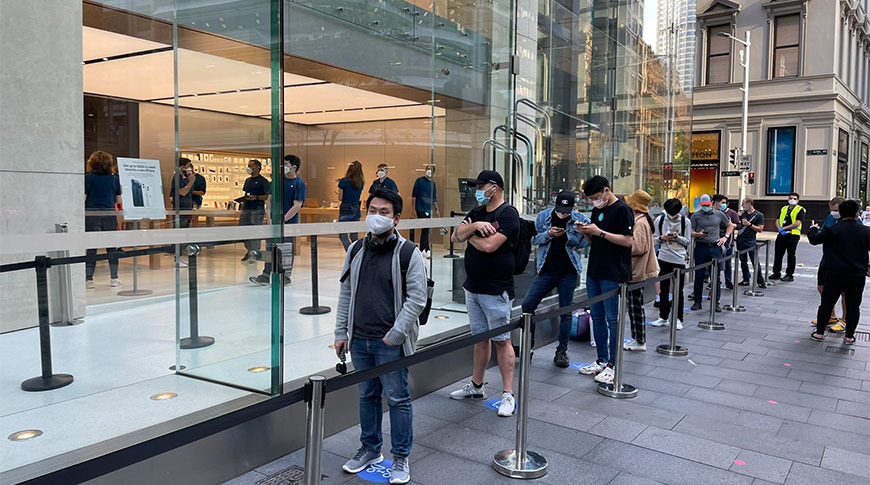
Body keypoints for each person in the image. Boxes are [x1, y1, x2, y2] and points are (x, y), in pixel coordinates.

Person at [334, 189, 427, 485]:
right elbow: (346, 292)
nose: (376, 216)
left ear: (396, 218)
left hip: (390, 341)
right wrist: (341, 332)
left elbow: (417, 298)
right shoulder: (356, 249)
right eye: (372, 209)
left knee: (398, 398)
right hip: (360, 338)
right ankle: (370, 448)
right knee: (367, 395)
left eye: (384, 211)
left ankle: (400, 454)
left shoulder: (408, 253)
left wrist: (397, 334)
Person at [449, 170, 520, 417]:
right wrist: (476, 227)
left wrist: (469, 236)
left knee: (502, 341)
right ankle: (477, 385)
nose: (478, 190)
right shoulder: (478, 213)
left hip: (495, 288)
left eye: (482, 186)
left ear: (496, 187)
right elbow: (454, 236)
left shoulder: (508, 214)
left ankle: (508, 394)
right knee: (480, 338)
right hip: (473, 286)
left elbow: (490, 246)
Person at [575, 176, 634, 385]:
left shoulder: (623, 210)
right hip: (594, 271)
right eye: (591, 198)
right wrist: (586, 232)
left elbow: (628, 241)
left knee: (612, 319)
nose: (594, 201)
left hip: (614, 272)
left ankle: (613, 364)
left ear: (607, 190)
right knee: (597, 317)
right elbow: (597, 240)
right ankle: (601, 360)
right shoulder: (597, 210)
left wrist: (599, 232)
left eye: (596, 197)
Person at [522, 190, 590, 367]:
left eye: (566, 211)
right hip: (545, 270)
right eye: (560, 210)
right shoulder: (544, 217)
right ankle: (528, 347)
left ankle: (562, 351)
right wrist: (549, 234)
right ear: (555, 204)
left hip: (568, 271)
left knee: (565, 311)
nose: (563, 214)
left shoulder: (580, 218)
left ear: (572, 207)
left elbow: (588, 241)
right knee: (528, 305)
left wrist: (576, 235)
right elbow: (533, 240)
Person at [808, 199, 870, 345]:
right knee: (854, 305)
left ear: (840, 213)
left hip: (834, 273)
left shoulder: (832, 230)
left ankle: (819, 333)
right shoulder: (865, 231)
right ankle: (849, 336)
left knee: (827, 303)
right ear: (857, 213)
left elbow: (814, 240)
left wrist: (812, 229)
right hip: (856, 274)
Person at [250, 155, 305, 286]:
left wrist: (283, 219)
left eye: (286, 164)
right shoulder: (276, 182)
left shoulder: (298, 184)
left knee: (285, 249)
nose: (283, 167)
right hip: (273, 221)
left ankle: (285, 275)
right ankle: (266, 274)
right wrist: (268, 216)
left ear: (294, 167)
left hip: (288, 222)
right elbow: (269, 200)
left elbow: (297, 205)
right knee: (270, 247)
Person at [623, 190, 659, 352]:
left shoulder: (640, 223)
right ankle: (637, 338)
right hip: (637, 270)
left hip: (637, 271)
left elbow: (638, 247)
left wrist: (621, 245)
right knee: (634, 306)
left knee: (635, 307)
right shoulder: (643, 220)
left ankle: (640, 340)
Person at [84, 151, 123, 289]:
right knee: (111, 247)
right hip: (109, 215)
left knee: (91, 248)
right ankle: (114, 278)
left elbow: (83, 197)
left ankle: (89, 279)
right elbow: (118, 200)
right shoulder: (114, 179)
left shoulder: (87, 178)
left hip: (91, 215)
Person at [650, 198, 691, 329]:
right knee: (664, 289)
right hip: (663, 257)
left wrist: (677, 237)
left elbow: (688, 241)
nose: (671, 215)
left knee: (679, 289)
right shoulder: (660, 220)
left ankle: (679, 318)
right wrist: (662, 238)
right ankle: (663, 316)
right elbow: (654, 239)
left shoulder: (686, 221)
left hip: (679, 258)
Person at [690, 194, 734, 312]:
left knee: (716, 275)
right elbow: (691, 231)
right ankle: (697, 301)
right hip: (701, 246)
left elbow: (730, 225)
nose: (706, 207)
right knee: (699, 275)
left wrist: (725, 237)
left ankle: (715, 302)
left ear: (712, 203)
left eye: (707, 205)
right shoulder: (696, 216)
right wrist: (697, 234)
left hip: (715, 246)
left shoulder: (719, 214)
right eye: (703, 205)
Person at [810, 197, 847, 332]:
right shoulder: (830, 218)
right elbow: (823, 233)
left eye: (836, 210)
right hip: (827, 260)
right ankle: (831, 316)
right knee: (822, 287)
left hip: (842, 262)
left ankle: (844, 320)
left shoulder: (852, 220)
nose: (834, 213)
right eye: (832, 210)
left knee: (845, 292)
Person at [239, 159, 271, 263]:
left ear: (257, 167)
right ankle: (249, 250)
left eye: (250, 166)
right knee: (244, 230)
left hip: (257, 209)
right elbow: (245, 194)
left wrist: (256, 197)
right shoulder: (248, 180)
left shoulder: (263, 181)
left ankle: (255, 252)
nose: (248, 167)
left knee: (255, 230)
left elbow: (266, 196)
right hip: (246, 209)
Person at [770, 192, 805, 281]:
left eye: (794, 199)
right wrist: (779, 229)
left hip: (793, 234)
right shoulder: (784, 208)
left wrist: (784, 228)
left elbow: (797, 223)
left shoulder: (800, 209)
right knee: (778, 254)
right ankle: (776, 273)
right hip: (782, 234)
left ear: (798, 200)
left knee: (791, 254)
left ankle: (789, 275)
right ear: (788, 199)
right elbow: (777, 220)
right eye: (791, 198)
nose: (792, 200)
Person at [736, 196, 766, 289]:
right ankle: (746, 279)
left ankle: (760, 281)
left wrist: (750, 225)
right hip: (740, 239)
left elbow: (760, 229)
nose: (742, 205)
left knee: (755, 261)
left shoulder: (759, 215)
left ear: (749, 204)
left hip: (750, 240)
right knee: (742, 260)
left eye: (743, 203)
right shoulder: (742, 214)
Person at [410, 164, 439, 258]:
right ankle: (425, 249)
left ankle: (424, 248)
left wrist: (437, 210)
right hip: (420, 208)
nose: (429, 171)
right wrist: (413, 209)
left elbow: (434, 198)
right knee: (425, 229)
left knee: (426, 230)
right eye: (428, 169)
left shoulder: (433, 184)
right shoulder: (419, 181)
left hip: (428, 209)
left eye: (431, 169)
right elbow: (414, 195)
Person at [713, 194, 739, 289]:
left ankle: (728, 281)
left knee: (727, 263)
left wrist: (732, 226)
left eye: (725, 203)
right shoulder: (713, 213)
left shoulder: (731, 213)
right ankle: (715, 281)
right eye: (722, 202)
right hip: (715, 242)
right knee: (716, 264)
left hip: (727, 243)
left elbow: (737, 225)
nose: (724, 205)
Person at [338, 160, 365, 250]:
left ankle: (350, 253)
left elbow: (340, 198)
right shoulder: (361, 182)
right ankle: (356, 253)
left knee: (343, 235)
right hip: (356, 208)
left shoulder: (343, 181)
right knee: (354, 235)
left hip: (346, 208)